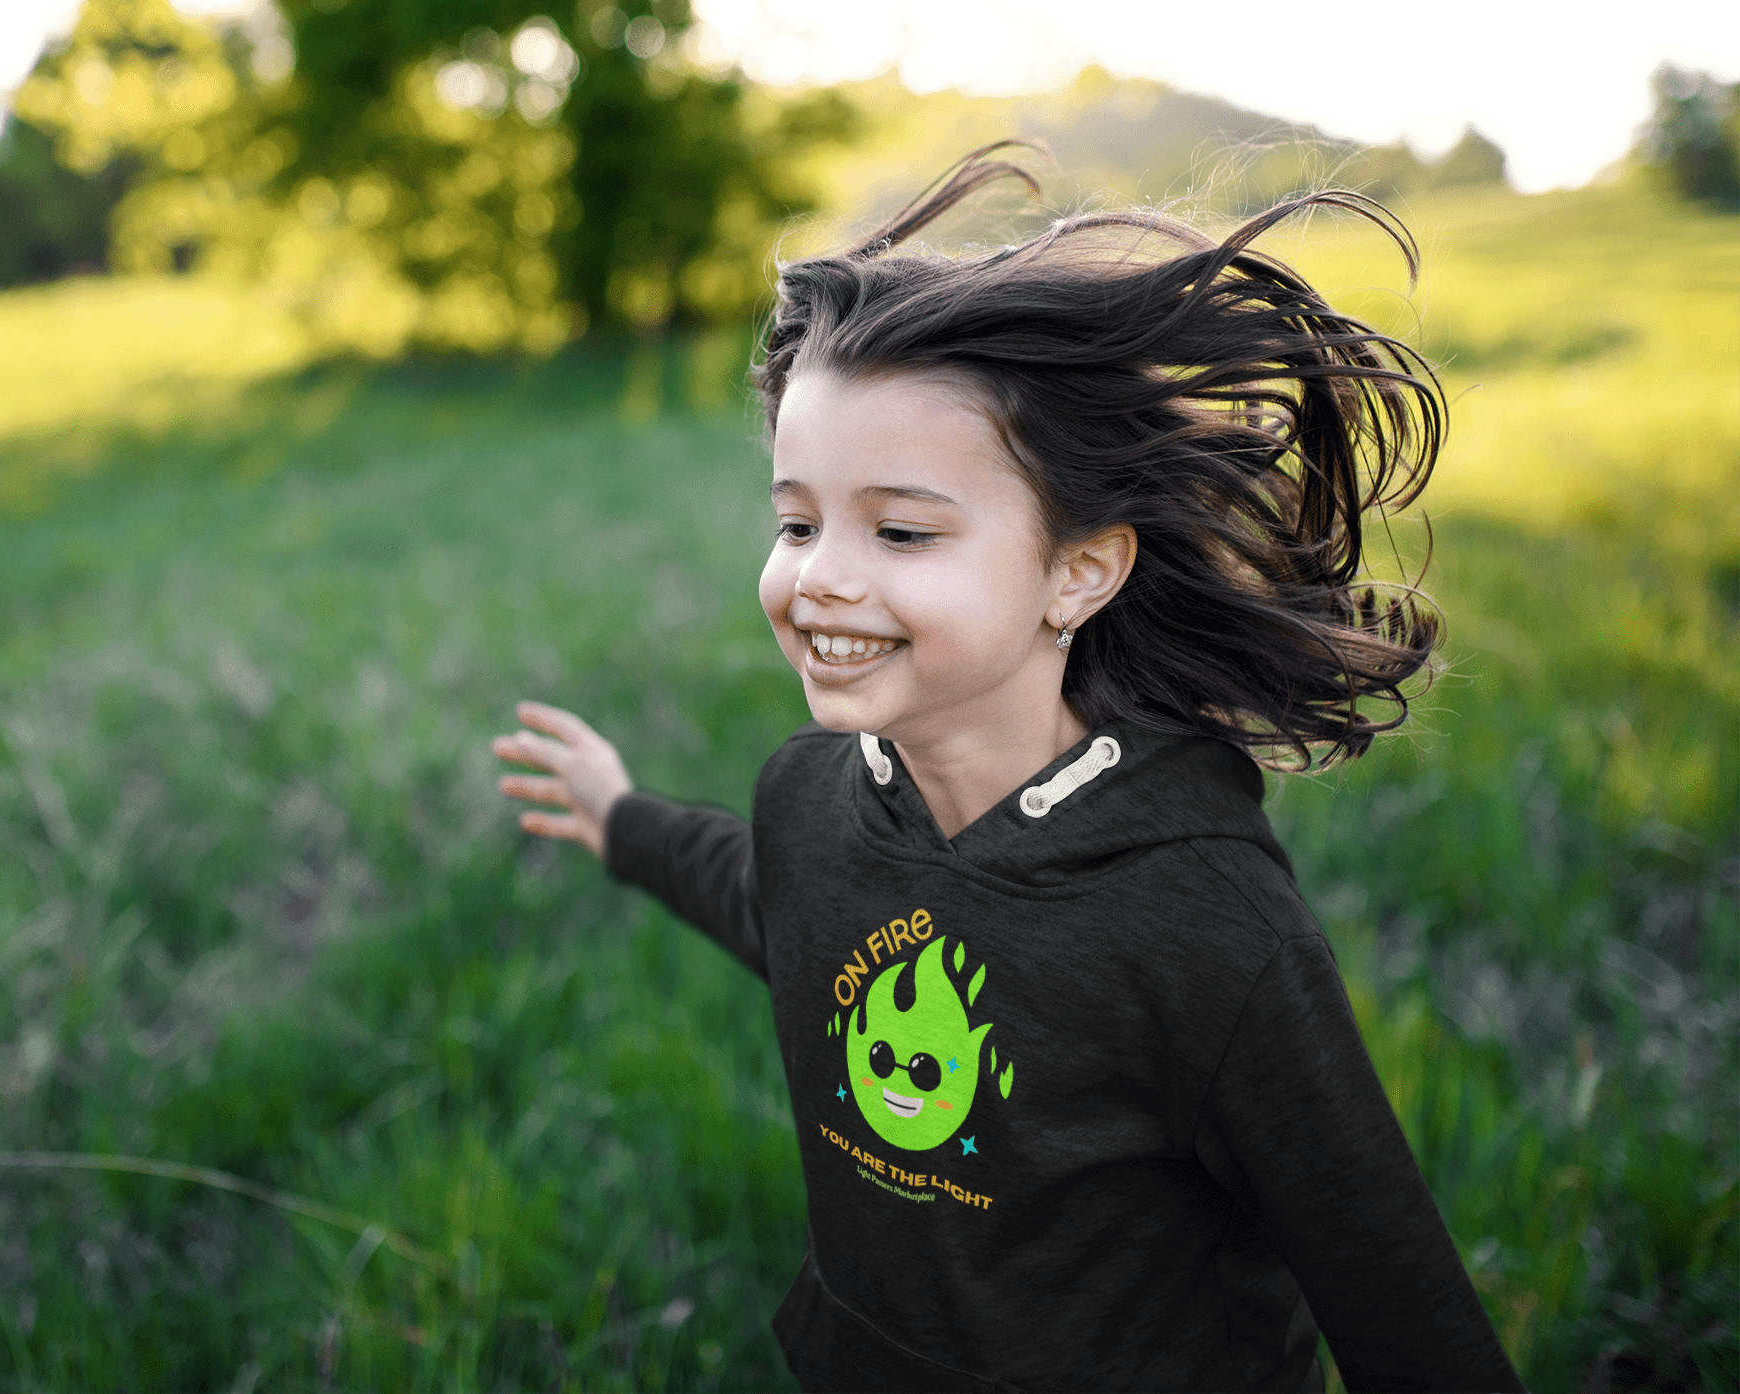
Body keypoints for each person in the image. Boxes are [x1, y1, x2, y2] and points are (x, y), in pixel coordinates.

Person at [492, 146, 1524, 1393]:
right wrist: (621, 818)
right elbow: (772, 897)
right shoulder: (810, 792)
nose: (820, 573)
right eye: (798, 520)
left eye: (903, 529)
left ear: (1079, 570)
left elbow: (1395, 1292)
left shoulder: (1205, 928)